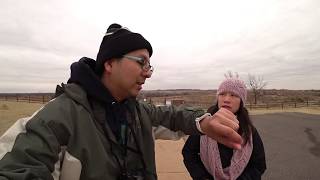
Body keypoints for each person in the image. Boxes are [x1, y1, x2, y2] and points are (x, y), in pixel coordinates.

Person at [0, 23, 242, 180]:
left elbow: (173, 116)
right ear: (109, 63)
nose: (148, 72)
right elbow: (19, 168)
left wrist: (204, 121)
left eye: (149, 65)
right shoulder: (60, 115)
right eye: (141, 62)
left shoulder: (137, 111)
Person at [182, 74, 266, 180]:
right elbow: (189, 153)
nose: (226, 99)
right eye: (222, 94)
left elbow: (259, 165)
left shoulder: (249, 131)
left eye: (233, 95)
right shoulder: (206, 124)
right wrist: (202, 177)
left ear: (241, 101)